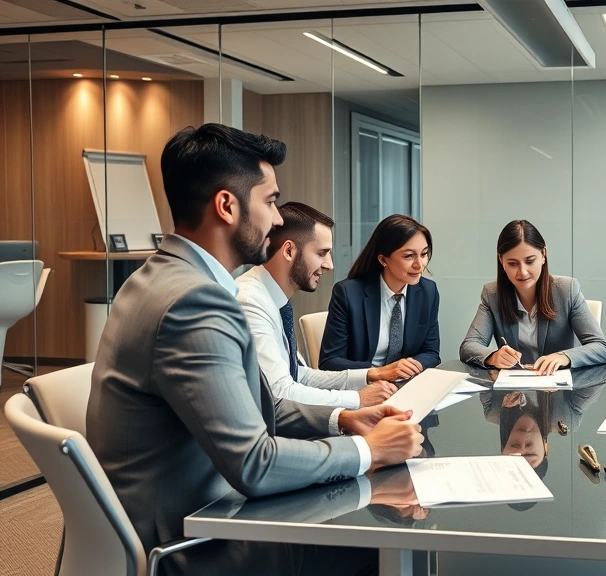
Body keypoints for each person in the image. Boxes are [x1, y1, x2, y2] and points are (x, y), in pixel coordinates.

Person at [86, 124, 424, 576]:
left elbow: (249, 406)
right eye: (269, 201)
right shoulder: (195, 302)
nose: (278, 219)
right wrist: (370, 450)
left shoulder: (160, 278)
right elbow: (255, 464)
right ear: (226, 206)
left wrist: (343, 419)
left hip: (193, 506)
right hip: (187, 539)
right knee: (379, 546)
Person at [236, 202, 397, 409]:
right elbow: (280, 392)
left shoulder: (273, 297)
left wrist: (369, 375)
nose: (330, 265)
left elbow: (298, 375)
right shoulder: (250, 302)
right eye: (322, 253)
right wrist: (358, 400)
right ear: (288, 251)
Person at [460, 220, 606, 375]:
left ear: (543, 255)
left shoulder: (567, 290)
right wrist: (492, 357)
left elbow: (601, 347)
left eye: (530, 261)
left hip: (561, 392)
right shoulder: (492, 295)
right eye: (512, 264)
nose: (523, 272)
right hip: (513, 393)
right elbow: (469, 345)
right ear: (501, 261)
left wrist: (563, 356)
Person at [319, 214, 441, 380]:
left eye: (424, 254)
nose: (419, 265)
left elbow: (431, 352)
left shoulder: (428, 291)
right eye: (408, 256)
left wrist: (412, 366)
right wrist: (382, 373)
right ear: (383, 259)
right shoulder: (348, 293)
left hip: (406, 386)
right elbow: (329, 362)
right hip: (364, 388)